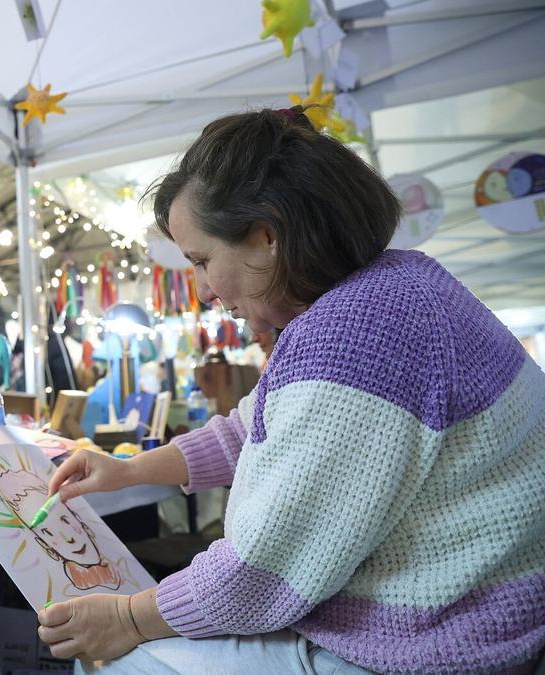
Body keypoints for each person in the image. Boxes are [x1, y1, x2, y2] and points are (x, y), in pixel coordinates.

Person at [37, 107, 545, 674]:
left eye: (203, 261)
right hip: (470, 621)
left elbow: (263, 566)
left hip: (431, 644)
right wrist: (129, 470)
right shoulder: (393, 289)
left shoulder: (358, 334)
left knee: (109, 664)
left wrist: (128, 619)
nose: (203, 290)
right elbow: (256, 428)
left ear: (267, 236)